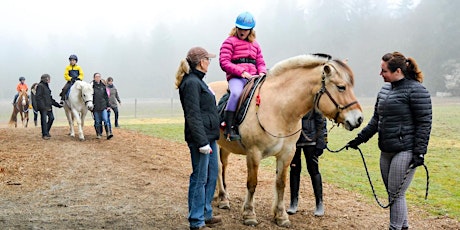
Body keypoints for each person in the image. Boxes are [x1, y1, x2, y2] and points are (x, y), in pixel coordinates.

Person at [346, 52, 432, 230]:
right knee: (394, 194)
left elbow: (424, 123)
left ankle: (395, 227)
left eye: (383, 70)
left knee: (396, 195)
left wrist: (420, 152)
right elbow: (376, 120)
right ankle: (404, 226)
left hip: (405, 150)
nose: (380, 74)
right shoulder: (385, 90)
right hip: (386, 150)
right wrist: (359, 140)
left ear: (397, 71)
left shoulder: (417, 90)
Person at [175, 46, 222, 230]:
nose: (210, 62)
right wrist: (202, 142)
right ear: (201, 62)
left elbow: (206, 110)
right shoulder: (191, 83)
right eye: (208, 59)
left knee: (211, 175)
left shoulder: (199, 82)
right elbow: (193, 115)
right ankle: (196, 220)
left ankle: (205, 213)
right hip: (200, 139)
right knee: (199, 178)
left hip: (209, 136)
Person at [219, 11, 267, 141]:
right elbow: (224, 62)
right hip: (237, 78)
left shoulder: (256, 45)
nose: (242, 31)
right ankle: (229, 128)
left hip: (255, 78)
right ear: (236, 27)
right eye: (240, 28)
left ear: (251, 30)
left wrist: (262, 72)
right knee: (235, 93)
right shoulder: (229, 42)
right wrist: (241, 72)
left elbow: (261, 62)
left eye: (245, 29)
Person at [287, 110, 327, 216]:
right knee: (294, 170)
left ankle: (319, 204)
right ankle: (293, 203)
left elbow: (321, 120)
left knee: (313, 170)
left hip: (311, 140)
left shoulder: (314, 98)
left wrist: (321, 141)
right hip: (294, 140)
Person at [35, 74, 62, 140]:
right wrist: (42, 107)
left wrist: (58, 105)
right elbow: (38, 97)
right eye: (48, 78)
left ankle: (46, 131)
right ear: (45, 79)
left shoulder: (47, 86)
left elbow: (50, 98)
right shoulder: (40, 86)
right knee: (43, 121)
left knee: (51, 118)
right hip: (43, 107)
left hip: (49, 106)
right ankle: (45, 134)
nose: (49, 79)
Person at [92, 73, 113, 140]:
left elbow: (106, 97)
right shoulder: (91, 86)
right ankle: (98, 134)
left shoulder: (103, 86)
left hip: (103, 106)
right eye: (96, 77)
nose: (98, 78)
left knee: (105, 119)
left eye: (99, 76)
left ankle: (108, 133)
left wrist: (108, 106)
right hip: (95, 107)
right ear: (94, 78)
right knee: (97, 121)